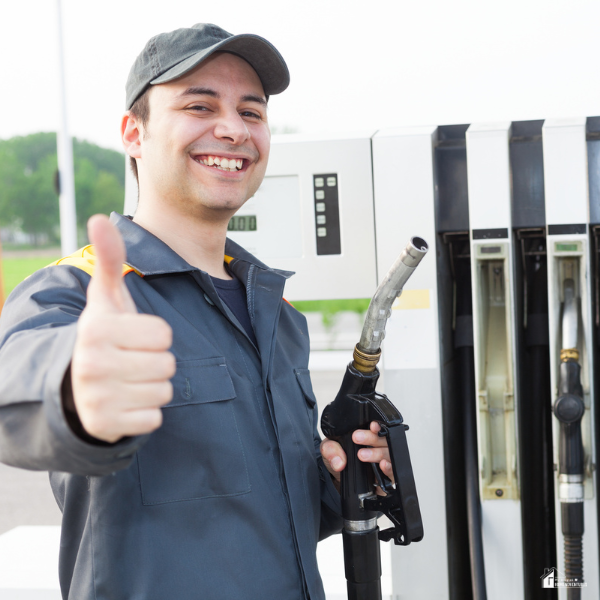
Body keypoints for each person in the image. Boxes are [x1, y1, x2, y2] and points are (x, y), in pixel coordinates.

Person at [0, 23, 393, 600]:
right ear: (134, 133)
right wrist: (76, 387)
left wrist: (342, 479)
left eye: (251, 112)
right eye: (199, 105)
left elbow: (261, 509)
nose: (232, 129)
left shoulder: (277, 313)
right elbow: (18, 391)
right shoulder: (77, 294)